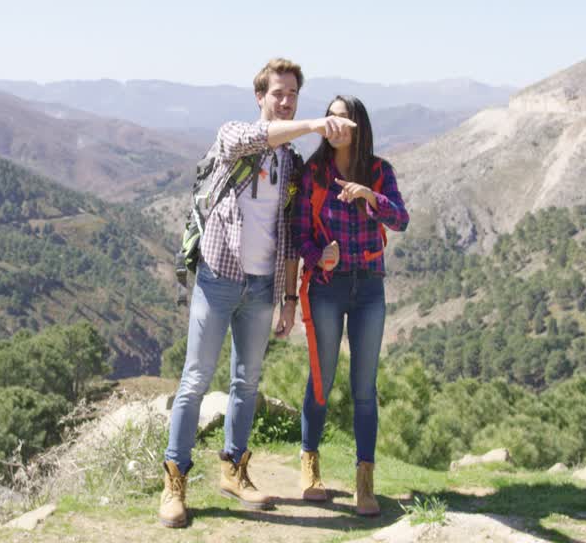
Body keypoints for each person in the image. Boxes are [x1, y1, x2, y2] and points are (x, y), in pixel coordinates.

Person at [159, 58, 357, 528]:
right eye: (278, 94)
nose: (285, 100)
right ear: (260, 97)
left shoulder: (290, 164)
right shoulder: (234, 136)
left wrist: (289, 298)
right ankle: (174, 480)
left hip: (263, 284)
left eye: (292, 94)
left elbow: (289, 234)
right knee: (195, 381)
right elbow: (251, 139)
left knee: (246, 382)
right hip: (218, 277)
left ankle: (234, 468)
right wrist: (312, 125)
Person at [293, 94, 408, 517]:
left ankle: (364, 481)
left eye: (344, 118)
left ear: (359, 124)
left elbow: (401, 220)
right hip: (326, 287)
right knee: (320, 381)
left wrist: (370, 197)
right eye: (330, 118)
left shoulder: (380, 172)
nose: (336, 124)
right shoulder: (314, 173)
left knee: (364, 389)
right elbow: (300, 233)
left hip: (369, 290)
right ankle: (310, 465)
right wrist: (317, 254)